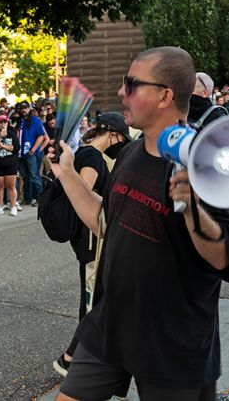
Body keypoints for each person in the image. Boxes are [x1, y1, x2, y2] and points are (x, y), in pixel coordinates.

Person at [51, 46, 229, 401]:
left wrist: (191, 209)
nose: (121, 92)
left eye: (132, 84)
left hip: (173, 345)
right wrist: (66, 173)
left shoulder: (209, 165)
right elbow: (105, 220)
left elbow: (227, 259)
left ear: (164, 96)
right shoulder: (128, 153)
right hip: (110, 326)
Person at [52, 112, 131, 378]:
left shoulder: (83, 153)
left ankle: (78, 357)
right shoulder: (93, 157)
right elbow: (82, 192)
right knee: (94, 298)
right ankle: (71, 359)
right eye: (121, 137)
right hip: (90, 238)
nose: (121, 143)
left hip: (87, 237)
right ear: (112, 134)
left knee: (95, 296)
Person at [18, 101, 45, 207]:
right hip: (21, 153)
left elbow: (41, 136)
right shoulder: (20, 121)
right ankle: (28, 198)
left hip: (30, 153)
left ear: (29, 109)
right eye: (22, 108)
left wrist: (33, 150)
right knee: (25, 177)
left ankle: (40, 198)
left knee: (34, 176)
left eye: (25, 108)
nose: (23, 110)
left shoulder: (36, 121)